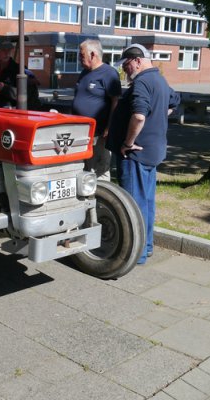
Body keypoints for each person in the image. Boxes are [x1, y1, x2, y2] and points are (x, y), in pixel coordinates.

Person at [107, 43, 180, 264]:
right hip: (152, 151)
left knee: (133, 205)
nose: (124, 69)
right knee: (147, 202)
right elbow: (174, 101)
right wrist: (159, 114)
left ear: (137, 61)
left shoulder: (142, 82)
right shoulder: (159, 80)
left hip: (135, 156)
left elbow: (139, 116)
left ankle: (134, 254)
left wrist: (128, 142)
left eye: (126, 65)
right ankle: (146, 247)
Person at [72, 39, 121, 181]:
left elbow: (115, 102)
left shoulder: (109, 73)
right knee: (85, 166)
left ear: (93, 54)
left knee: (100, 168)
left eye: (81, 55)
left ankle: (102, 193)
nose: (79, 58)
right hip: (81, 131)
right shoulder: (84, 72)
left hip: (99, 133)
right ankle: (86, 191)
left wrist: (109, 128)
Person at [0, 40, 41, 110]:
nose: (7, 53)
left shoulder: (20, 70)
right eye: (3, 50)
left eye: (9, 49)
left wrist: (4, 88)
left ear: (12, 50)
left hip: (10, 109)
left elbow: (26, 95)